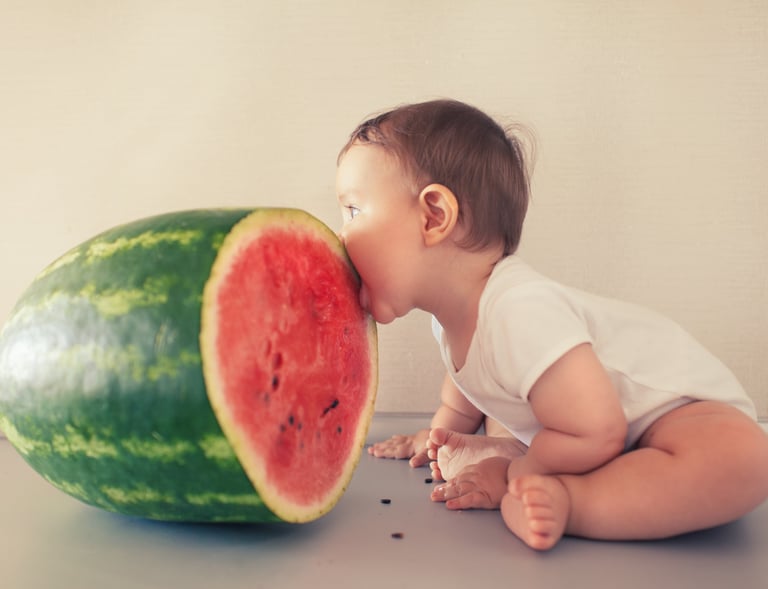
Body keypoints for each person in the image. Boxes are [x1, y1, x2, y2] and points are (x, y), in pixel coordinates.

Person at [335, 98, 768, 551]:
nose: (341, 235)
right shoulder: (450, 321)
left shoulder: (520, 309)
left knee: (746, 458)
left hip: (682, 416)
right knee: (532, 420)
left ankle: (570, 500)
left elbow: (599, 429)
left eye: (354, 210)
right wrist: (438, 435)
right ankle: (518, 459)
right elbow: (467, 385)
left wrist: (521, 473)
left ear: (434, 216)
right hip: (588, 436)